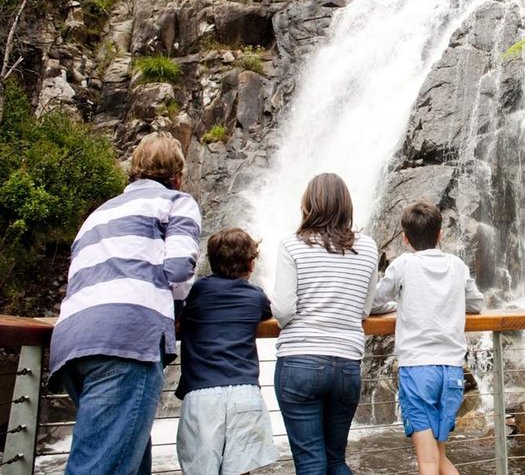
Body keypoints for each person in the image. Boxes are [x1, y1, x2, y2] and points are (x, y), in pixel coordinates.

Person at [49, 131, 202, 475]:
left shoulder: (99, 213)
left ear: (132, 172)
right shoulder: (177, 201)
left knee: (127, 456)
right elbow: (178, 269)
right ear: (177, 176)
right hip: (126, 342)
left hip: (71, 344)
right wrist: (174, 314)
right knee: (101, 466)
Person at [271, 173, 379, 475]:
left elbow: (282, 310)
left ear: (308, 204)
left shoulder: (292, 245)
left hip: (300, 363)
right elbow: (365, 308)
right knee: (335, 460)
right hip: (347, 365)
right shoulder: (367, 247)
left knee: (310, 463)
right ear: (347, 206)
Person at [370, 200, 485, 475]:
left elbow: (373, 302)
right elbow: (477, 304)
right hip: (452, 372)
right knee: (439, 457)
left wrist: (399, 303)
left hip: (418, 370)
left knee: (428, 462)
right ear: (440, 234)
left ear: (405, 238)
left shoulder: (404, 265)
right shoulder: (457, 265)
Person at [175, 227, 278, 475]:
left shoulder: (197, 291)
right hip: (245, 391)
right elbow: (268, 313)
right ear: (251, 263)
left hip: (202, 394)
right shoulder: (256, 296)